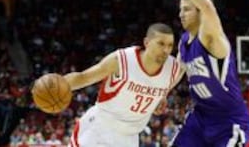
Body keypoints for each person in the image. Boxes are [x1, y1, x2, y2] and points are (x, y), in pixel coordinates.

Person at [44, 23, 182, 147]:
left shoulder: (173, 68)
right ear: (147, 42)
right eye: (161, 44)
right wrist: (56, 86)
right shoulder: (123, 60)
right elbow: (84, 77)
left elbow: (169, 79)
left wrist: (162, 95)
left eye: (170, 45)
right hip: (99, 131)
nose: (166, 50)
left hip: (129, 138)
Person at [169, 0, 249, 146]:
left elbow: (207, 7)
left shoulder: (211, 37)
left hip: (229, 122)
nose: (181, 14)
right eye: (181, 9)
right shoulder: (184, 42)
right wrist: (161, 93)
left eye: (187, 9)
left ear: (199, 11)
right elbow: (176, 71)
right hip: (200, 119)